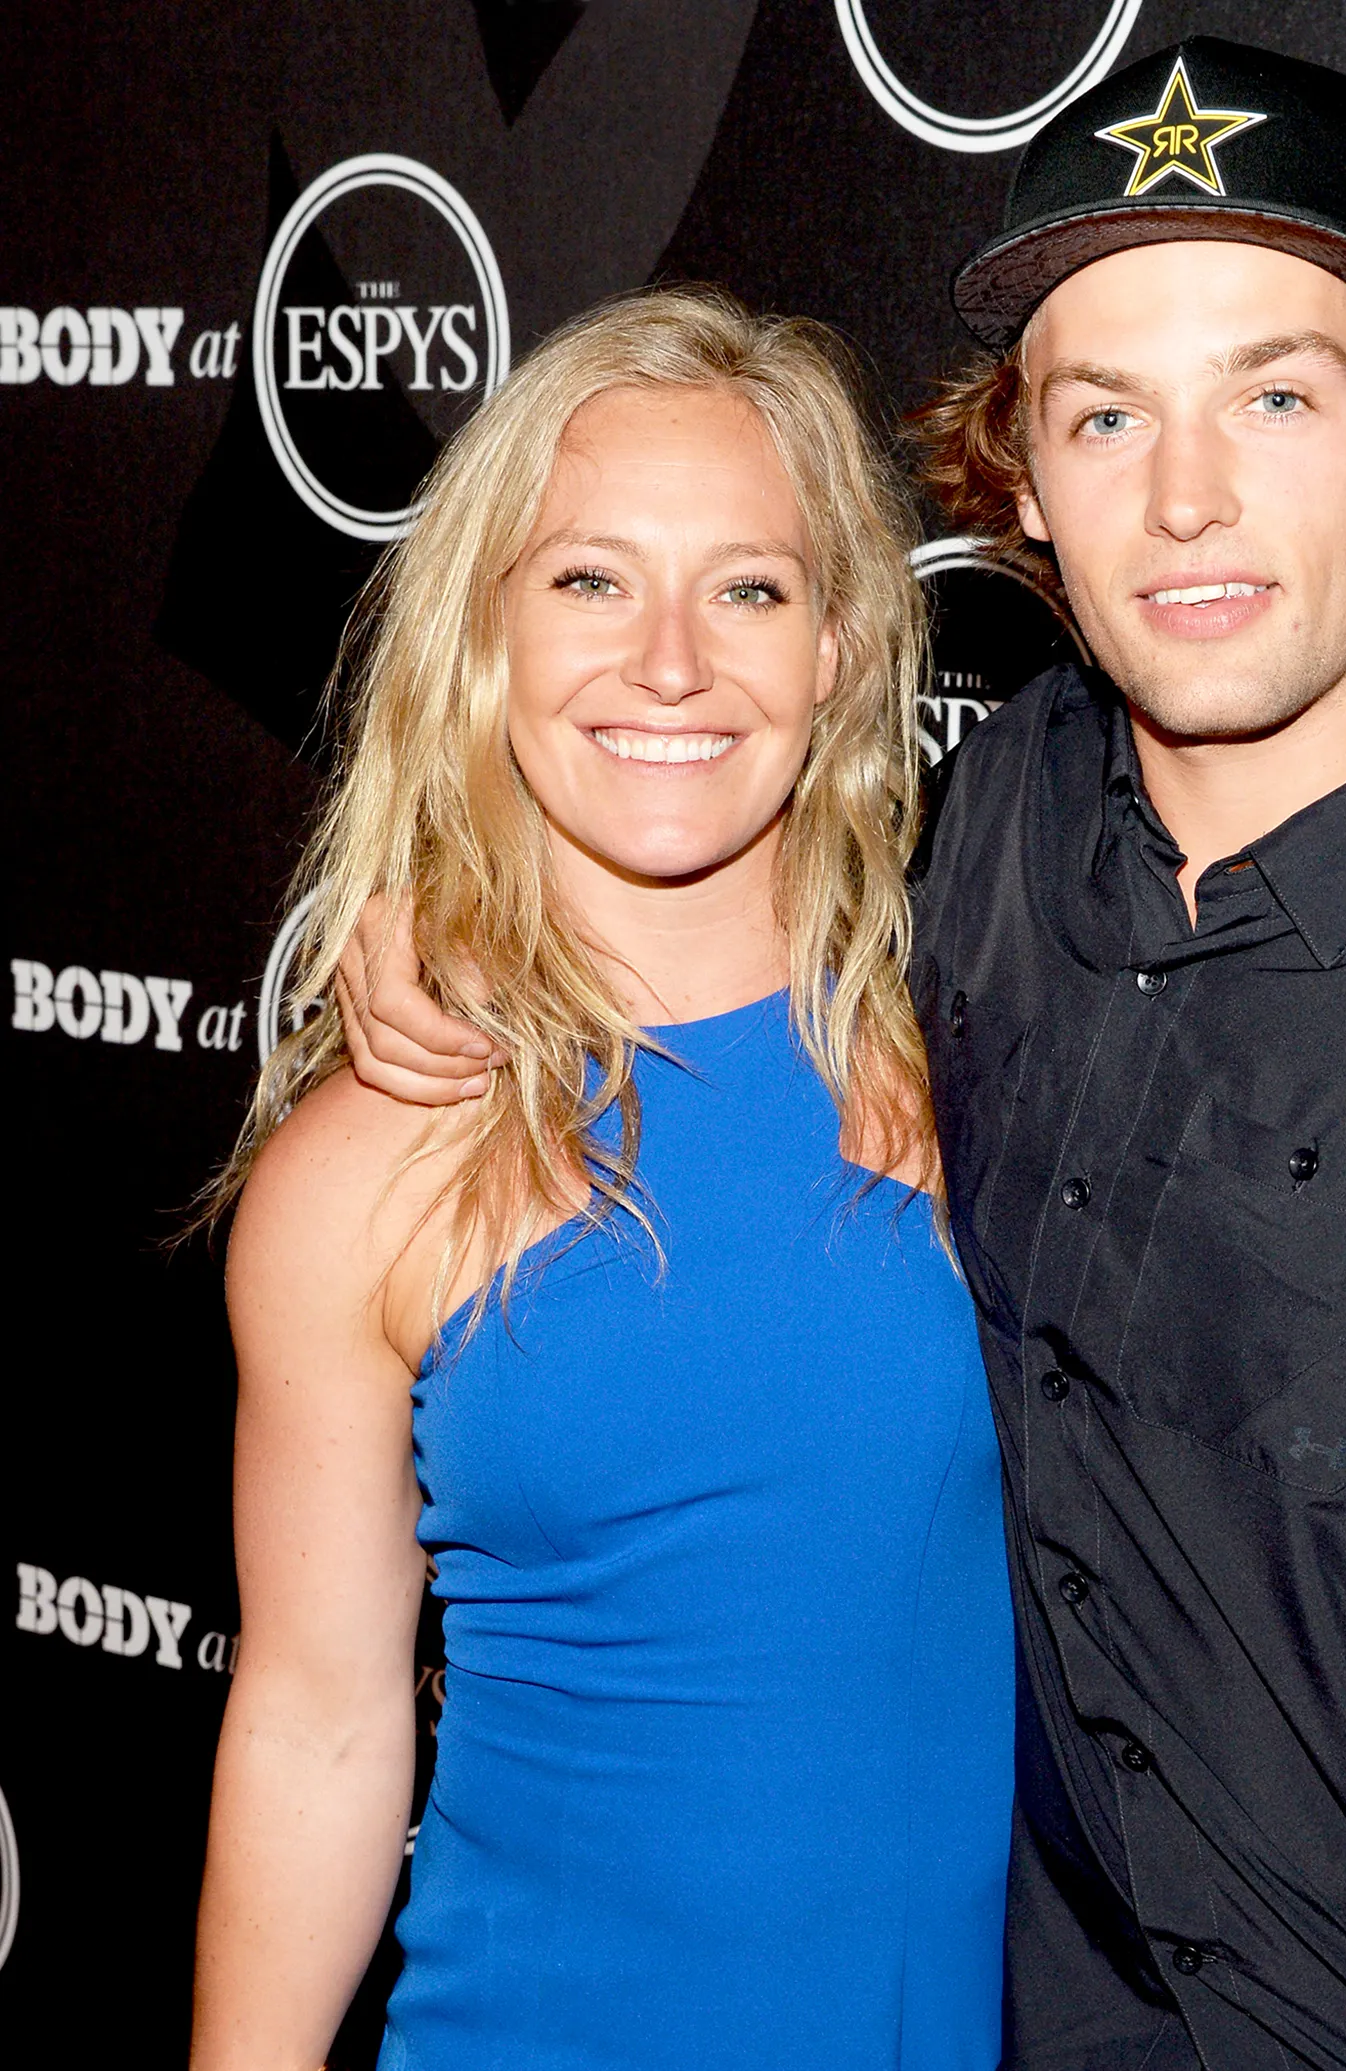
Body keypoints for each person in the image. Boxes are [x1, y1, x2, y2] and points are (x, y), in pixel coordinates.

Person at [328, 49, 1346, 2058]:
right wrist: (445, 917)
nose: (1185, 495)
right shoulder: (1005, 839)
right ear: (1020, 479)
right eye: (1108, 415)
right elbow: (699, 890)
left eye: (1274, 396)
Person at [191, 287, 1017, 2071]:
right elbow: (319, 1721)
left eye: (749, 588)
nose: (669, 663)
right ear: (485, 634)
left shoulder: (989, 1076)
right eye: (589, 580)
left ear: (842, 648)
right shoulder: (371, 1165)